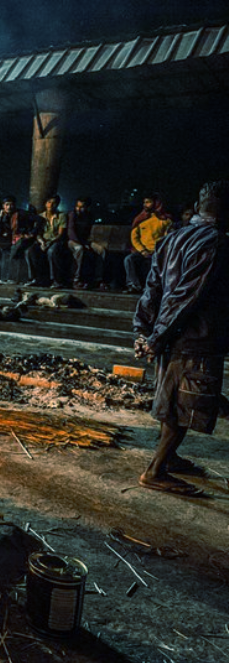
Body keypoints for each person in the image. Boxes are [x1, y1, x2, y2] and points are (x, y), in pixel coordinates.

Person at [133, 180, 229, 496]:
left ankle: (169, 458)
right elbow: (188, 296)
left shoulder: (174, 236)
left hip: (169, 332)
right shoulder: (215, 241)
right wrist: (155, 337)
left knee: (174, 400)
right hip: (193, 336)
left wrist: (144, 329)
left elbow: (153, 288)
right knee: (184, 404)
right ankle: (155, 470)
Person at [124, 200, 173, 293]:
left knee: (156, 261)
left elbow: (167, 238)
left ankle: (153, 288)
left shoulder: (165, 220)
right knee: (129, 259)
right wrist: (142, 251)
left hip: (158, 251)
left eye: (148, 202)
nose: (145, 205)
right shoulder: (140, 219)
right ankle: (135, 286)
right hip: (142, 251)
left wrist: (157, 250)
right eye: (144, 202)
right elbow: (134, 237)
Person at [27, 194, 67, 288]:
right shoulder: (41, 216)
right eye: (49, 202)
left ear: (57, 205)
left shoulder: (61, 216)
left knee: (51, 251)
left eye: (54, 203)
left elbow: (60, 234)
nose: (51, 205)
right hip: (43, 241)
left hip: (56, 241)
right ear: (45, 204)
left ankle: (55, 280)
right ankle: (35, 278)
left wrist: (50, 242)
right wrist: (42, 242)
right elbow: (38, 232)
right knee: (30, 251)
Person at [67, 196, 105, 289]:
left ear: (87, 207)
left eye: (82, 207)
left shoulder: (89, 216)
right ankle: (75, 279)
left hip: (85, 241)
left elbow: (90, 231)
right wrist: (81, 244)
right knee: (79, 249)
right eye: (77, 206)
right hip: (72, 241)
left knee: (101, 250)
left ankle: (98, 278)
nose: (79, 209)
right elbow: (71, 232)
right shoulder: (73, 215)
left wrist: (88, 242)